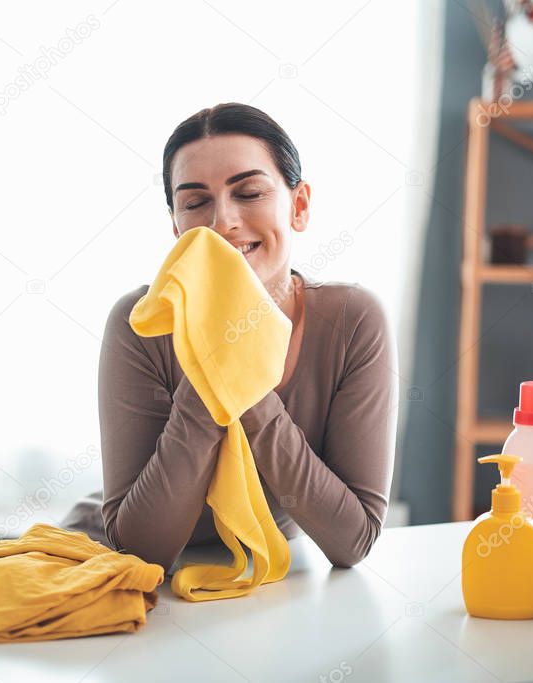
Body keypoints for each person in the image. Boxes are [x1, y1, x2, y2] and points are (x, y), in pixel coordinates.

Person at [62, 102, 398, 572]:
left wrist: (244, 374)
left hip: (259, 590)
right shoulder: (138, 324)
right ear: (177, 227)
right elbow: (142, 548)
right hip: (122, 574)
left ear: (298, 207)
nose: (223, 222)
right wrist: (213, 363)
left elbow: (352, 541)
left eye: (250, 192)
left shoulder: (352, 321)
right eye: (196, 202)